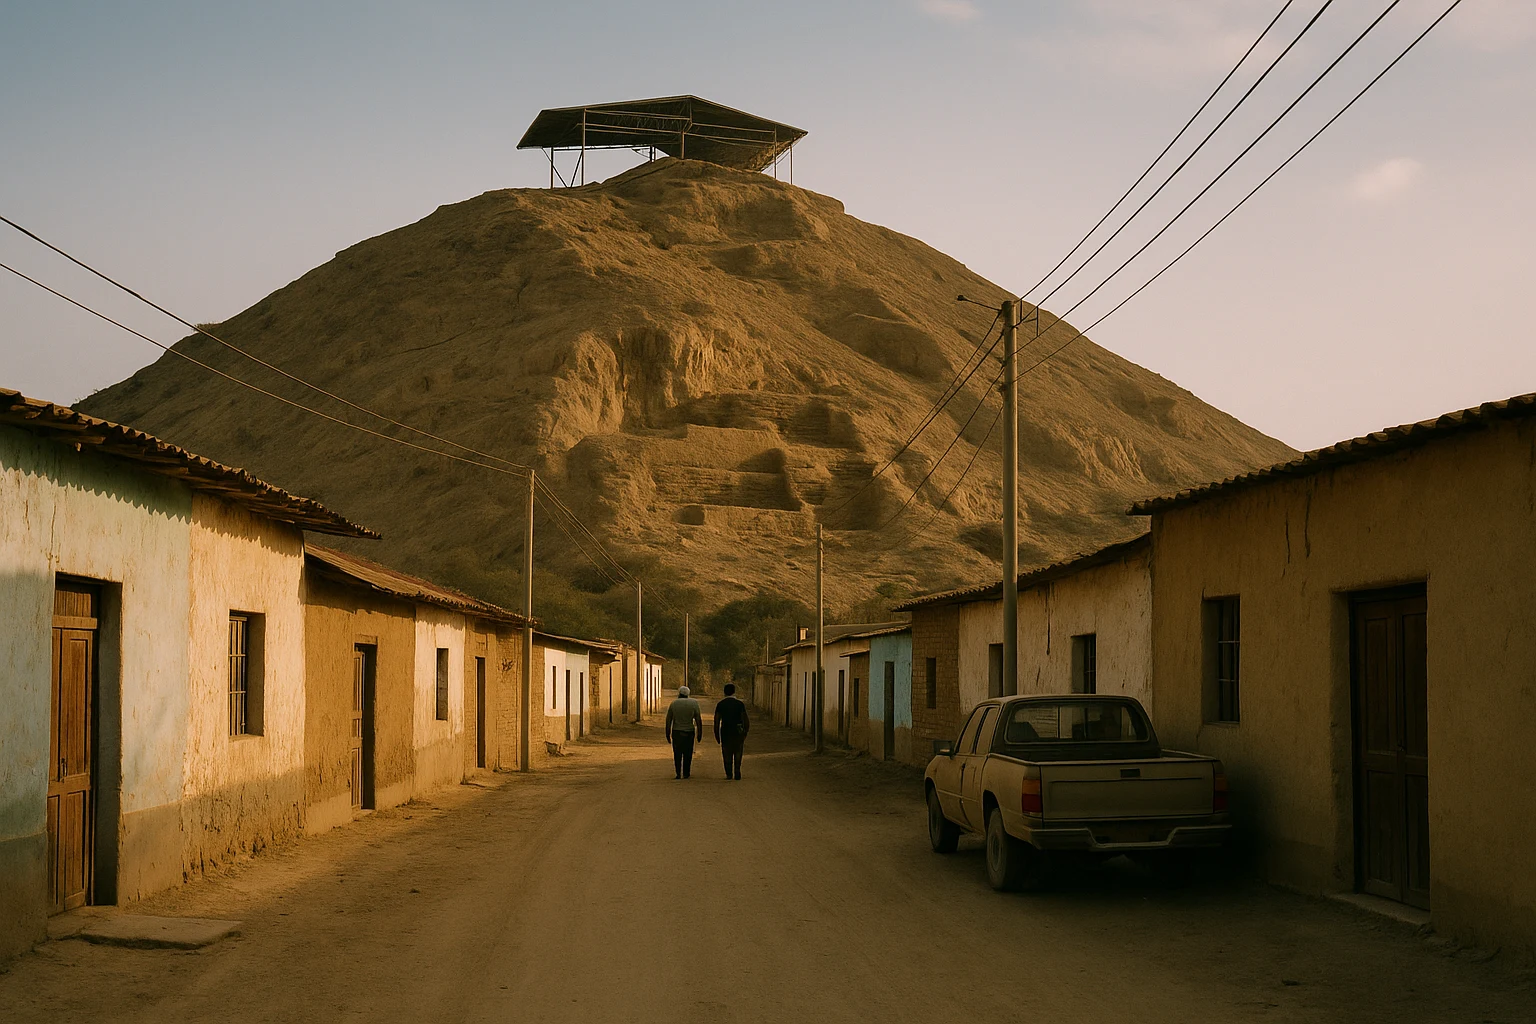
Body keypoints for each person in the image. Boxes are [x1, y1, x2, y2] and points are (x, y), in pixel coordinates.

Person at [665, 685, 704, 779]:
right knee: (688, 753)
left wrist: (667, 733)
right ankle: (686, 772)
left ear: (679, 694)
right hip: (689, 732)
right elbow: (698, 719)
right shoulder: (694, 703)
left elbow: (669, 720)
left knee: (677, 753)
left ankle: (678, 773)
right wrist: (699, 733)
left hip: (677, 732)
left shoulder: (674, 704)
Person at [713, 682, 750, 780]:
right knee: (738, 751)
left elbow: (716, 721)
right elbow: (745, 719)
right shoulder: (739, 704)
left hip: (725, 731)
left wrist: (717, 735)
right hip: (738, 731)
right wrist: (745, 732)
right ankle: (737, 770)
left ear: (724, 692)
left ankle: (729, 773)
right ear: (734, 692)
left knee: (727, 752)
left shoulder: (721, 704)